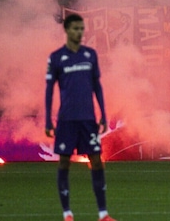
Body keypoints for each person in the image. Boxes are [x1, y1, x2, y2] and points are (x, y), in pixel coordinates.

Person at [45, 14, 116, 221]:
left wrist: (103, 115)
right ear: (67, 30)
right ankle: (67, 213)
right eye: (75, 28)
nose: (79, 32)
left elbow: (97, 86)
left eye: (81, 29)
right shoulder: (56, 57)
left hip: (88, 119)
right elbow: (49, 90)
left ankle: (103, 214)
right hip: (67, 119)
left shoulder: (90, 55)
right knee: (64, 162)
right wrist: (48, 120)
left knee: (96, 161)